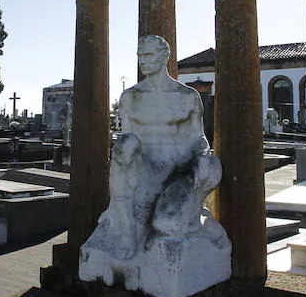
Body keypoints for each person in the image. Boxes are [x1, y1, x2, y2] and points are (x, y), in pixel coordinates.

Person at [91, 35, 219, 259]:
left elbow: (199, 140)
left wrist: (199, 163)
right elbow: (127, 141)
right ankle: (126, 233)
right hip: (145, 170)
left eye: (148, 55)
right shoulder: (130, 97)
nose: (143, 60)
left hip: (179, 170)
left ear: (163, 57)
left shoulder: (187, 97)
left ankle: (190, 211)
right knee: (125, 145)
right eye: (140, 55)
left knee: (166, 223)